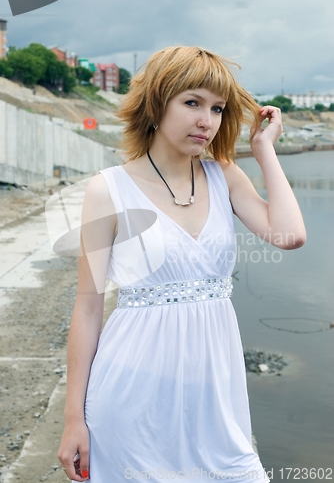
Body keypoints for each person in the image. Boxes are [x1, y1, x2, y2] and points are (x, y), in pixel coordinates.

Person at [58, 46, 306, 482]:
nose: (206, 120)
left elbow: (290, 236)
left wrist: (265, 150)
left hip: (215, 397)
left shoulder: (224, 175)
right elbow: (88, 307)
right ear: (156, 102)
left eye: (216, 108)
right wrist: (73, 420)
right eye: (192, 102)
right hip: (130, 396)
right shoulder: (107, 190)